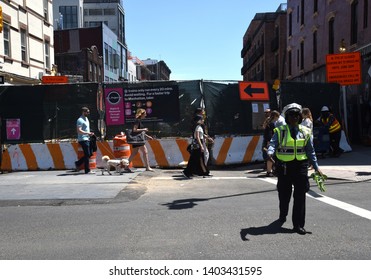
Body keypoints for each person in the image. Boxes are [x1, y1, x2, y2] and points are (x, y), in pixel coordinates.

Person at [267, 103, 323, 235]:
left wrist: (316, 167)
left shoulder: (305, 131)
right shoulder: (280, 131)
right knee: (284, 194)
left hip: (301, 167)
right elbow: (273, 143)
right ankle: (283, 214)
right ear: (287, 117)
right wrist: (270, 153)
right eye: (291, 115)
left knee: (300, 195)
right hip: (284, 167)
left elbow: (310, 151)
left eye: (297, 115)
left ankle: (298, 225)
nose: (294, 118)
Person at [75, 107, 95, 174]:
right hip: (83, 139)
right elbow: (79, 130)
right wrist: (87, 133)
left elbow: (86, 129)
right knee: (87, 154)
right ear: (83, 112)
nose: (88, 113)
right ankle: (87, 170)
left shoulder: (86, 119)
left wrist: (90, 133)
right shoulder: (80, 120)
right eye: (87, 112)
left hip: (87, 138)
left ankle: (78, 163)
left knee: (89, 154)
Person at [262, 110, 279, 177]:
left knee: (269, 156)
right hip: (269, 141)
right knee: (271, 156)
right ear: (275, 116)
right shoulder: (272, 123)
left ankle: (269, 171)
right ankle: (270, 171)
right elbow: (270, 133)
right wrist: (269, 141)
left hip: (266, 140)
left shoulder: (268, 121)